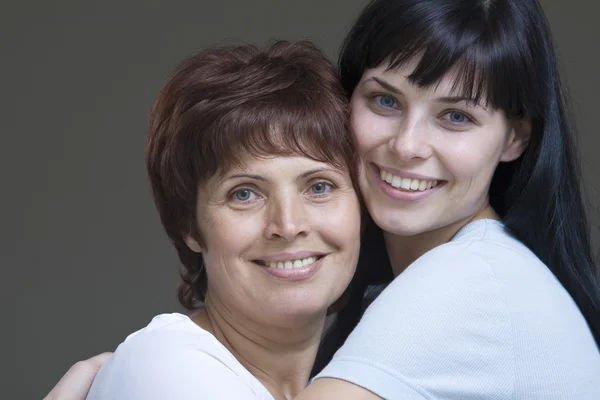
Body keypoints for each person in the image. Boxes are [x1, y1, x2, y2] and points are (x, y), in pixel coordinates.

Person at [47, 0, 600, 398]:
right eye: (385, 100)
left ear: (516, 137)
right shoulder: (171, 366)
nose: (406, 146)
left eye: (456, 116)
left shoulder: (465, 287)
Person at [82, 40, 362, 400]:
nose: (289, 225)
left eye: (319, 186)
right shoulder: (167, 368)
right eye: (244, 193)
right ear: (190, 225)